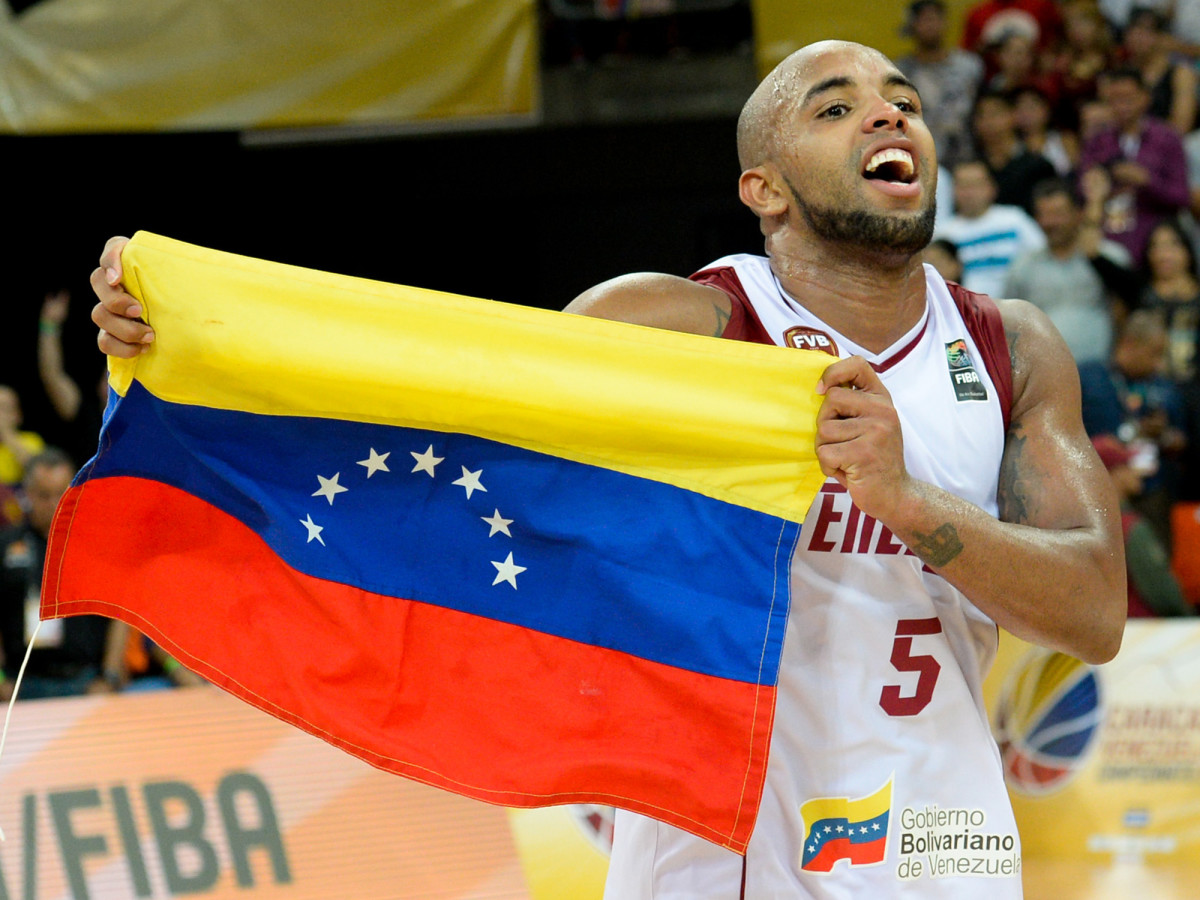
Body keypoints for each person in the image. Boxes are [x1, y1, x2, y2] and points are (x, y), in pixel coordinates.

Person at [91, 40, 1126, 898]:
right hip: (718, 854)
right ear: (761, 188)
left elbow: (1093, 611)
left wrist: (904, 501)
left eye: (903, 103)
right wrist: (192, 346)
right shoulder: (672, 329)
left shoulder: (1009, 347)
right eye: (837, 107)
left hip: (948, 841)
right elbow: (428, 412)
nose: (890, 118)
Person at [0, 448, 127, 699]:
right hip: (21, 683)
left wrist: (110, 676)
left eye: (62, 493)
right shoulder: (6, 546)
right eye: (44, 495)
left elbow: (119, 614)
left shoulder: (98, 547)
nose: (54, 503)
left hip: (85, 680)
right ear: (26, 495)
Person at [1004, 177, 1136, 363]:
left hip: (1100, 368)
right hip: (1044, 372)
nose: (1051, 222)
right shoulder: (1022, 267)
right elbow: (1009, 325)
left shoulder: (1110, 258)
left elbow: (1127, 314)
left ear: (1078, 214)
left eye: (1058, 213)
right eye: (1044, 214)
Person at [1077, 66, 1189, 265]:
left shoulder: (1167, 138)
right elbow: (1081, 191)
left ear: (1145, 97)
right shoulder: (1097, 142)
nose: (1121, 106)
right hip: (1108, 238)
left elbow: (1181, 196)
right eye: (1114, 100)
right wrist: (1100, 188)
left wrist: (1147, 181)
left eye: (1128, 98)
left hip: (1154, 243)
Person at [1092, 433, 1194, 616]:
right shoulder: (1129, 528)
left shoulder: (1081, 527)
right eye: (1127, 465)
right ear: (1113, 473)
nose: (1136, 471)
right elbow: (1162, 591)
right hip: (1144, 631)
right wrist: (1190, 620)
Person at [934, 158, 1046, 296]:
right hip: (965, 312)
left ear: (992, 188)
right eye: (962, 185)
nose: (969, 192)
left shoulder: (1015, 220)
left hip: (1017, 304)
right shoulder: (941, 234)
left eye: (975, 185)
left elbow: (1043, 257)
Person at [896, 0, 985, 171]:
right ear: (912, 25)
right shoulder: (899, 73)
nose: (930, 25)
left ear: (945, 23)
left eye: (934, 19)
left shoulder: (970, 66)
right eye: (923, 20)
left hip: (965, 159)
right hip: (918, 161)